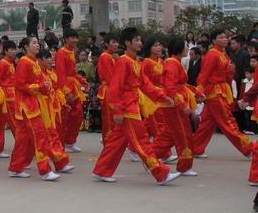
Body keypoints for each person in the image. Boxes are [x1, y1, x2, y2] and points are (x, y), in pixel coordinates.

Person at [91, 27, 180, 185]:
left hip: (132, 105)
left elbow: (145, 84)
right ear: (127, 43)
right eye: (136, 40)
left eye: (140, 40)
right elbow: (115, 87)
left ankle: (101, 170)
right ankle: (161, 173)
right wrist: (118, 110)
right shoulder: (123, 61)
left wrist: (162, 97)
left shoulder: (136, 62)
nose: (140, 43)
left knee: (117, 141)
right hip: (127, 108)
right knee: (142, 141)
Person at [192, 29, 258, 183]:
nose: (225, 39)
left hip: (220, 90)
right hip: (215, 93)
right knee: (228, 122)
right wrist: (199, 91)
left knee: (207, 124)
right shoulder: (212, 55)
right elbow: (204, 75)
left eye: (225, 37)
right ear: (214, 40)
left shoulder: (223, 53)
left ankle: (195, 148)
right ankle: (249, 148)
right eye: (221, 37)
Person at [7, 36, 72, 180]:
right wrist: (40, 87)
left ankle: (15, 168)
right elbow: (20, 85)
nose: (37, 45)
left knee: (24, 139)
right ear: (26, 47)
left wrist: (46, 89)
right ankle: (45, 170)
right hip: (27, 106)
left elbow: (41, 82)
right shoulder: (24, 62)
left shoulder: (35, 62)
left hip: (35, 104)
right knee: (40, 136)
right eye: (34, 43)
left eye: (38, 43)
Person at [153, 38, 197, 175]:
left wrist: (196, 92)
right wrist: (182, 105)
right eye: (186, 46)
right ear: (179, 48)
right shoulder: (172, 63)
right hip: (175, 105)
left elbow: (181, 85)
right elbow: (170, 87)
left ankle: (151, 157)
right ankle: (184, 166)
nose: (187, 48)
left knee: (171, 134)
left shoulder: (175, 62)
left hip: (175, 103)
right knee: (183, 134)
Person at [55, 29, 88, 153]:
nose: (75, 40)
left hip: (74, 85)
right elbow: (61, 73)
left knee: (78, 114)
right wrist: (66, 91)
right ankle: (59, 142)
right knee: (65, 116)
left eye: (76, 37)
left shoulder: (72, 51)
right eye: (72, 37)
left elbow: (73, 72)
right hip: (65, 87)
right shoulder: (61, 52)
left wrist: (82, 80)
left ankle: (69, 141)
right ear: (66, 39)